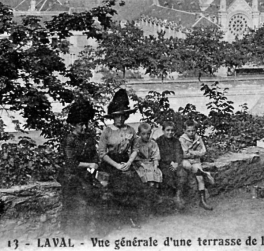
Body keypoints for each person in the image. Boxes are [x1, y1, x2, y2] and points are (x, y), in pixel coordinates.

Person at [96, 88, 150, 228]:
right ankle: (118, 219)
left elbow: (135, 149)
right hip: (110, 163)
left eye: (122, 116)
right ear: (113, 117)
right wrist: (117, 166)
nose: (119, 119)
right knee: (117, 185)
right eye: (117, 116)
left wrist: (129, 162)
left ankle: (132, 217)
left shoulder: (130, 130)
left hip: (126, 161)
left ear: (126, 116)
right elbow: (102, 153)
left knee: (135, 184)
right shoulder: (107, 131)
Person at [57, 99, 100, 235]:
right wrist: (89, 165)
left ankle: (92, 229)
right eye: (81, 124)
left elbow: (94, 156)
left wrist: (94, 166)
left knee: (98, 193)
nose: (84, 128)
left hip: (87, 174)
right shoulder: (70, 139)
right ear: (74, 125)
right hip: (71, 175)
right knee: (79, 200)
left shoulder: (89, 138)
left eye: (86, 124)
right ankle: (74, 232)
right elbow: (71, 162)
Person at [179, 120, 215, 210]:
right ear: (184, 130)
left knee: (200, 178)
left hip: (195, 161)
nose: (191, 133)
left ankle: (202, 201)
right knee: (187, 166)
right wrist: (195, 153)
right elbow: (184, 153)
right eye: (189, 131)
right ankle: (203, 172)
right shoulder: (182, 139)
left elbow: (203, 152)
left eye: (193, 131)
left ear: (196, 130)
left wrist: (191, 153)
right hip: (186, 160)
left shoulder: (198, 138)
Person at [156, 121, 187, 209]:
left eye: (172, 130)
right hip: (163, 164)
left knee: (182, 174)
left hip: (175, 164)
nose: (170, 132)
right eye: (168, 130)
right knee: (167, 175)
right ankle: (167, 200)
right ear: (163, 130)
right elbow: (160, 155)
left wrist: (177, 163)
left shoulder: (176, 141)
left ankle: (178, 196)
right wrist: (171, 163)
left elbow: (179, 153)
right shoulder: (159, 141)